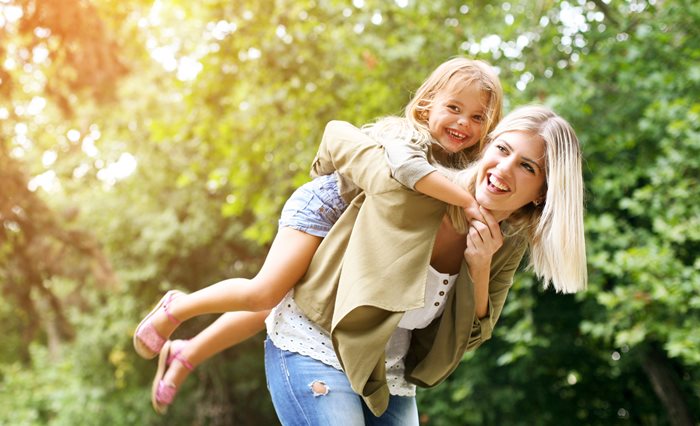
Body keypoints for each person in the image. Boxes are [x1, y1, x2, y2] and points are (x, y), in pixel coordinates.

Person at [132, 57, 504, 413]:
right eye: (454, 108)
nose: (463, 123)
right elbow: (405, 171)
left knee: (274, 307)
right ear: (426, 106)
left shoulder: (469, 167)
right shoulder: (406, 137)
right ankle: (176, 307)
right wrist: (468, 202)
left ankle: (187, 352)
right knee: (267, 292)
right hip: (328, 208)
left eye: (477, 117)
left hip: (360, 232)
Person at [263, 105, 587, 424]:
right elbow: (342, 138)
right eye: (502, 149)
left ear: (542, 194)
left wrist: (480, 268)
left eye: (527, 167)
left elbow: (472, 337)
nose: (504, 169)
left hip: (387, 375)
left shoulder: (507, 244)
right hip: (318, 340)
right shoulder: (424, 185)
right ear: (487, 146)